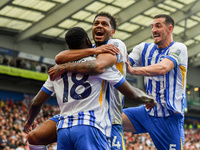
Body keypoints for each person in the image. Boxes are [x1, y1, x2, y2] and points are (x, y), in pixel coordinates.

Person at [24, 27, 156, 150]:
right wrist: (149, 99)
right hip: (88, 126)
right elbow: (132, 94)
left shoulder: (56, 71)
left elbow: (36, 102)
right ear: (88, 41)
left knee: (34, 138)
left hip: (63, 129)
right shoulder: (98, 66)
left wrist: (29, 122)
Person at [48, 11, 129, 150]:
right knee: (35, 136)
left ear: (112, 31)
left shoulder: (116, 44)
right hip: (87, 120)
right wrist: (93, 51)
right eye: (96, 23)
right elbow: (59, 57)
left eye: (104, 24)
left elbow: (98, 65)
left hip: (111, 120)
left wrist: (64, 67)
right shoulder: (89, 51)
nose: (99, 26)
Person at [122, 14, 188, 150]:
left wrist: (133, 70)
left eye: (158, 26)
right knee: (110, 120)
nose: (153, 30)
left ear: (170, 29)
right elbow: (123, 65)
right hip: (147, 113)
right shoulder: (143, 48)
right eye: (152, 26)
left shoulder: (179, 48)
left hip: (170, 118)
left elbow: (163, 68)